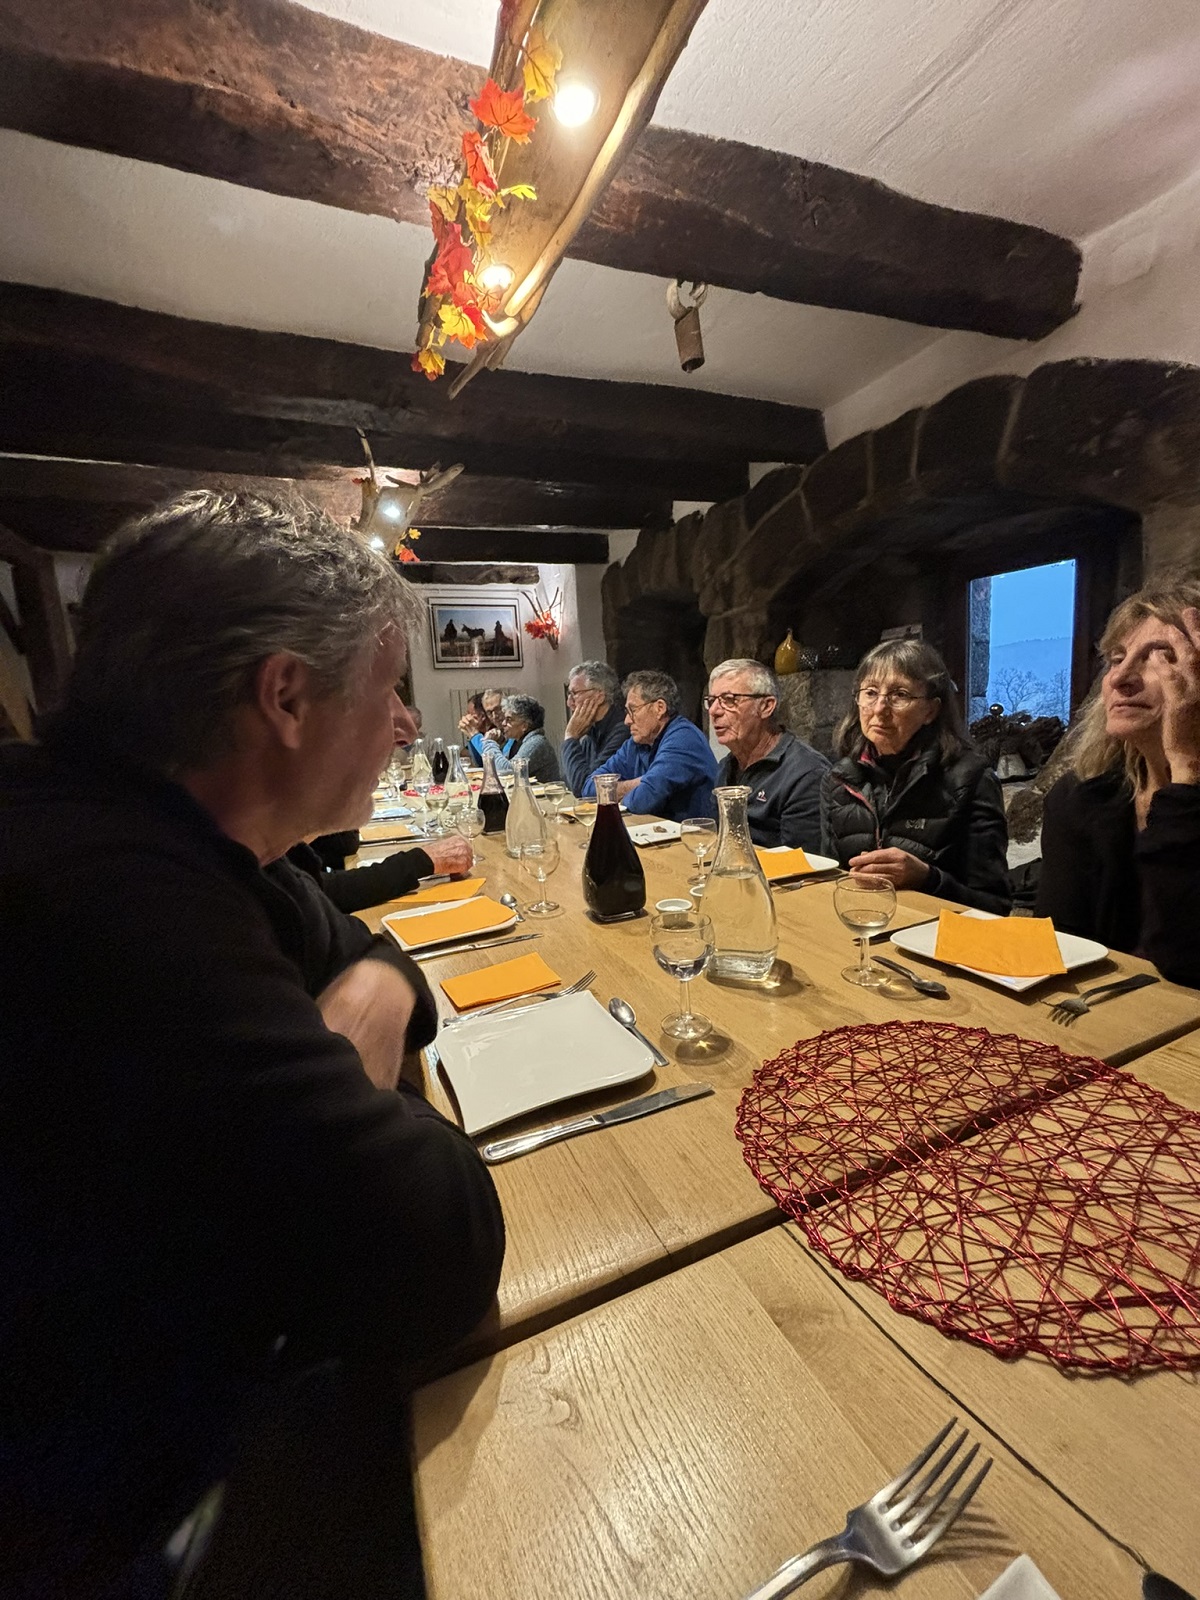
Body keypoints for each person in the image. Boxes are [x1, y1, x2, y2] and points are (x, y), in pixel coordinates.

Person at [0, 491, 505, 1599]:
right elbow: (438, 1249)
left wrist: (368, 998)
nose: (404, 725)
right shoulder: (114, 904)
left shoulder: (149, 826)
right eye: (388, 690)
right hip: (93, 1527)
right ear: (285, 697)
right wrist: (360, 1064)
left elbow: (365, 950)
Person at [1035, 577, 1200, 986]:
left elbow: (1187, 964)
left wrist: (1186, 767)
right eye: (1116, 658)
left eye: (1161, 657)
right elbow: (1058, 949)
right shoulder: (1080, 797)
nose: (1119, 678)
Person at [820, 637, 1010, 913]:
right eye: (870, 693)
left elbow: (995, 906)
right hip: (860, 922)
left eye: (899, 695)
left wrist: (927, 878)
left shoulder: (971, 779)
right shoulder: (840, 779)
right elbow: (830, 882)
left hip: (933, 931)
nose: (879, 709)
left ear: (931, 710)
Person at [707, 658, 829, 850]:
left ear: (766, 707)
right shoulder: (727, 766)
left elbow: (801, 861)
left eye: (729, 700)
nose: (714, 711)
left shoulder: (806, 774)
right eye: (711, 701)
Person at [583, 669, 717, 821]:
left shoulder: (684, 739)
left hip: (694, 835)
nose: (627, 720)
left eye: (633, 710)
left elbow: (640, 802)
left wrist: (616, 793)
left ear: (660, 708)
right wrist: (638, 783)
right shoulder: (636, 743)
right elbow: (589, 789)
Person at [561, 659, 629, 797]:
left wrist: (570, 737)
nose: (569, 703)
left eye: (574, 693)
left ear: (599, 697)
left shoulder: (623, 731)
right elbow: (571, 782)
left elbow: (584, 789)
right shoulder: (590, 733)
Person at [478, 693, 562, 783]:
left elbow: (507, 772)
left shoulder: (536, 743)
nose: (503, 723)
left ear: (524, 726)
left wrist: (490, 743)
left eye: (509, 720)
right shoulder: (519, 741)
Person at [458, 688, 511, 765]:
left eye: (498, 709)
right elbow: (481, 763)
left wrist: (474, 734)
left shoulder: (513, 731)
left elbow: (499, 765)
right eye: (489, 712)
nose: (494, 716)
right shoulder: (494, 733)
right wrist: (470, 733)